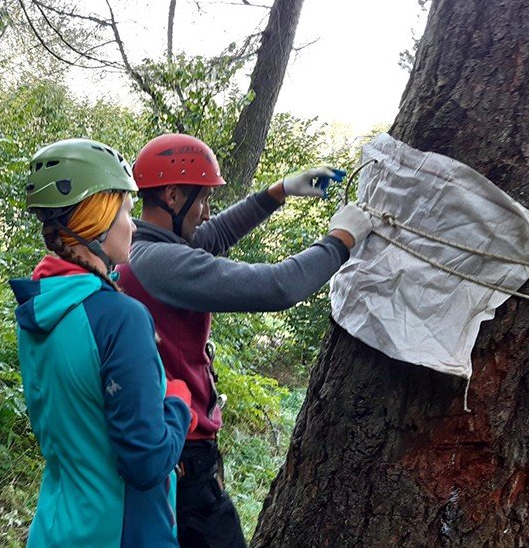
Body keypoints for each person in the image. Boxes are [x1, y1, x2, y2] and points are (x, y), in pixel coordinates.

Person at [116, 133, 374, 548]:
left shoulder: (142, 245)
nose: (205, 213)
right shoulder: (162, 262)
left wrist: (278, 193)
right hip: (184, 452)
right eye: (201, 200)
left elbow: (212, 235)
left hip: (170, 441)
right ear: (172, 195)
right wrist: (339, 242)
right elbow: (276, 287)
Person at [10, 138, 196, 547]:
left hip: (57, 526)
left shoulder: (39, 305)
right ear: (99, 217)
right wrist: (180, 403)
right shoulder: (120, 319)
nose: (132, 224)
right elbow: (146, 463)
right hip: (122, 533)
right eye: (127, 211)